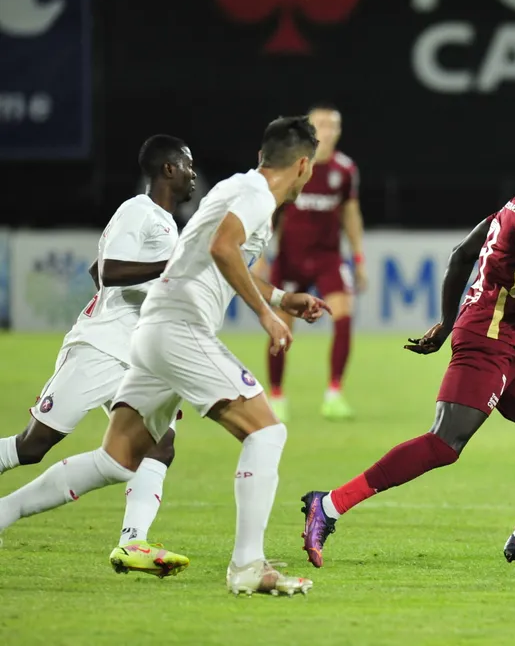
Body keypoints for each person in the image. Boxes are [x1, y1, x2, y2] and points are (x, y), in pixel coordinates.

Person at [0, 116, 330, 597]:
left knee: (118, 460)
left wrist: (281, 298)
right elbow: (222, 247)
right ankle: (247, 565)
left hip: (152, 329)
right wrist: (267, 314)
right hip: (177, 327)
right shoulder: (256, 195)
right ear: (302, 165)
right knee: (266, 431)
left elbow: (214, 256)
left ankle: (5, 512)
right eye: (311, 168)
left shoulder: (233, 191)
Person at [299, 135, 515, 572]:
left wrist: (447, 323)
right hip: (487, 342)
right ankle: (329, 505)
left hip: (510, 347)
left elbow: (461, 256)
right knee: (444, 443)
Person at [0, 135, 196, 577]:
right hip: (101, 349)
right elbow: (109, 271)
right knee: (31, 446)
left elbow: (97, 269)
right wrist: (171, 269)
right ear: (168, 169)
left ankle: (133, 542)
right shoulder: (138, 210)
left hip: (138, 357)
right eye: (188, 165)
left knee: (160, 446)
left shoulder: (166, 223)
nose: (193, 174)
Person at [261, 103, 366, 422]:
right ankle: (276, 397)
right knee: (280, 327)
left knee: (344, 315)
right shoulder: (293, 164)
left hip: (328, 257)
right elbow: (271, 209)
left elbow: (350, 213)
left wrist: (358, 257)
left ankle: (334, 394)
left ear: (339, 131)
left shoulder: (344, 170)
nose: (327, 131)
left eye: (333, 125)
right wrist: (261, 253)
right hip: (290, 258)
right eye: (321, 124)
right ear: (309, 128)